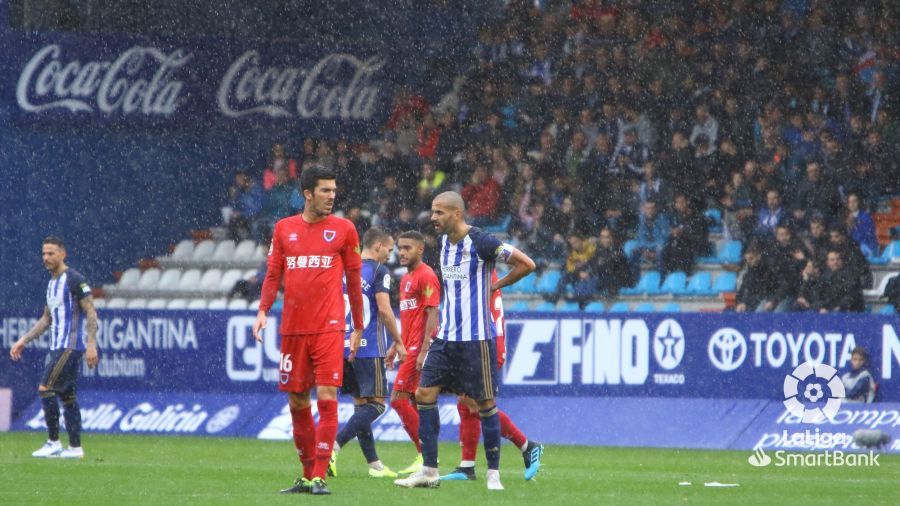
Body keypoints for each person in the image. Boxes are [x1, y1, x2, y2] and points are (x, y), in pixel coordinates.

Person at [394, 191, 536, 491]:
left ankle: (493, 475)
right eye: (433, 212)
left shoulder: (482, 241)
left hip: (476, 339)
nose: (433, 217)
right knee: (424, 394)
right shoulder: (444, 242)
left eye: (439, 212)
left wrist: (495, 286)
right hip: (445, 337)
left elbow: (526, 264)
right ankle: (429, 471)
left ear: (456, 214)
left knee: (484, 403)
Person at [253, 166, 366, 496]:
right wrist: (262, 310)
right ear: (307, 194)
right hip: (293, 329)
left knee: (328, 396)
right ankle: (306, 475)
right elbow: (273, 274)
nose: (332, 196)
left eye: (334, 190)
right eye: (325, 191)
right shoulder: (284, 229)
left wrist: (358, 326)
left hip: (329, 327)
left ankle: (319, 475)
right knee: (297, 400)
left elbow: (354, 281)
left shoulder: (344, 230)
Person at [442, 270, 544, 482]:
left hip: (483, 345)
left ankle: (527, 446)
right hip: (481, 342)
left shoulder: (480, 272)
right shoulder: (484, 271)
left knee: (477, 405)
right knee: (466, 404)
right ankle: (467, 466)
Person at [9, 237, 99, 459]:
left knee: (45, 388)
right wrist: (23, 340)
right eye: (44, 253)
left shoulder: (74, 279)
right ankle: (75, 448)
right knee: (67, 396)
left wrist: (91, 344)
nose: (46, 258)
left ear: (62, 254)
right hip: (58, 345)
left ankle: (53, 442)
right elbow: (46, 319)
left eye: (51, 253)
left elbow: (91, 311)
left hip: (69, 346)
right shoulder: (51, 284)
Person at [328, 228, 406, 479]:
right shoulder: (379, 271)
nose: (391, 254)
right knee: (377, 405)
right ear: (378, 246)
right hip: (369, 346)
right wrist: (398, 341)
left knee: (361, 405)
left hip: (344, 345)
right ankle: (334, 446)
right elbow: (384, 309)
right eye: (389, 249)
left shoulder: (345, 269)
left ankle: (374, 465)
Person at [389, 231, 441, 476]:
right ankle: (426, 458)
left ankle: (426, 453)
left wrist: (424, 350)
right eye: (399, 248)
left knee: (397, 399)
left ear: (420, 249)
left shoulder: (426, 275)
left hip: (419, 349)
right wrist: (396, 344)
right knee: (414, 402)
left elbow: (432, 314)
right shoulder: (405, 279)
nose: (401, 252)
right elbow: (409, 318)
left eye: (407, 248)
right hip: (408, 346)